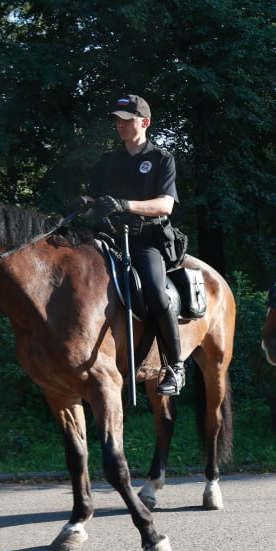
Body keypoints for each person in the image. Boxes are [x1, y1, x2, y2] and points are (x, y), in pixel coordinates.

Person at [87, 94, 185, 396]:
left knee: (155, 292)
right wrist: (84, 204)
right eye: (117, 120)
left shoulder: (161, 160)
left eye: (126, 120)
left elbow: (166, 205)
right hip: (107, 238)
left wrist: (124, 204)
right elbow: (94, 200)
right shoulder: (108, 161)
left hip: (145, 241)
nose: (120, 125)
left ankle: (176, 366)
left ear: (144, 122)